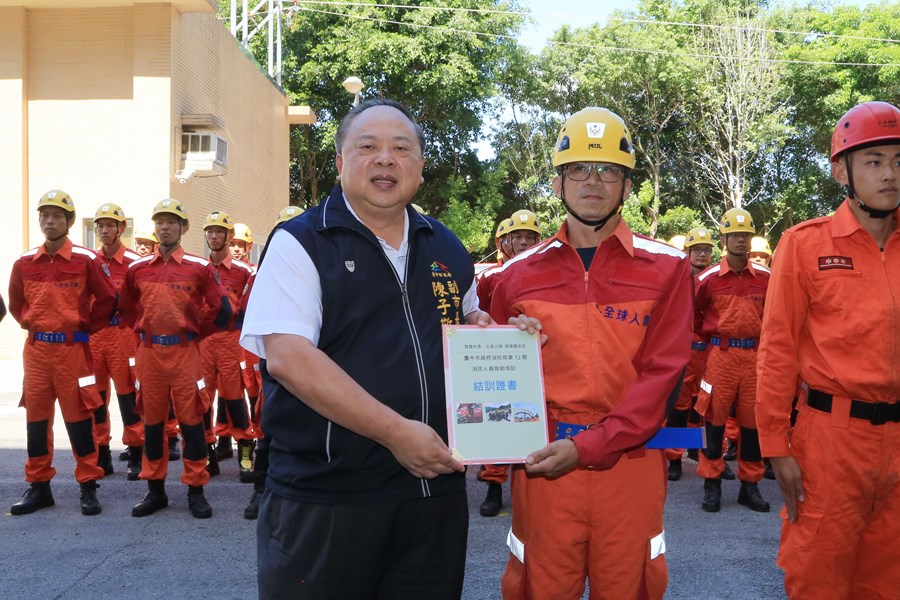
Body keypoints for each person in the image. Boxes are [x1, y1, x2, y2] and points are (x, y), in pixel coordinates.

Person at [240, 98, 491, 599]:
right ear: (340, 162)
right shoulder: (302, 242)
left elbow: (465, 324)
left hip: (432, 492)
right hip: (329, 495)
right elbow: (289, 358)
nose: (385, 159)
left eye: (401, 148)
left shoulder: (446, 247)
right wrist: (396, 433)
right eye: (368, 146)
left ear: (420, 166)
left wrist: (492, 332)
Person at [490, 107, 693, 599]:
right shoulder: (515, 274)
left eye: (609, 171)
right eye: (579, 168)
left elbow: (661, 376)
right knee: (538, 587)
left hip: (631, 463)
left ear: (627, 185)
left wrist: (589, 446)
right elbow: (490, 371)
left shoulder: (668, 268)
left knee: (629, 587)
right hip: (541, 464)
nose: (593, 182)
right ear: (558, 182)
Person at [757, 100, 900, 599]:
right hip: (831, 441)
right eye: (875, 161)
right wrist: (776, 447)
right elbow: (776, 351)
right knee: (819, 577)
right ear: (843, 170)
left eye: (899, 161)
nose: (890, 174)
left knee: (888, 581)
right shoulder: (804, 245)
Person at [8, 189, 118, 516]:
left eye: (57, 216)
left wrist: (86, 328)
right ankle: (39, 487)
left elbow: (108, 299)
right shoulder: (25, 262)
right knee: (37, 421)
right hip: (38, 352)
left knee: (80, 419)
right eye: (45, 215)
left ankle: (88, 486)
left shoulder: (86, 261)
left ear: (69, 221)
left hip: (74, 352)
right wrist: (32, 323)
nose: (50, 221)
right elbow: (16, 304)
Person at [119, 199, 231, 519]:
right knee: (152, 424)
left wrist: (195, 333)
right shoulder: (137, 269)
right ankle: (155, 490)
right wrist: (145, 334)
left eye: (172, 222)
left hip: (186, 354)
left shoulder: (199, 268)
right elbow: (126, 309)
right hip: (150, 355)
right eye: (160, 222)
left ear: (183, 228)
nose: (165, 227)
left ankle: (196, 489)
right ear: (154, 227)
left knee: (192, 421)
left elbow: (220, 310)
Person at [693, 207, 771, 513]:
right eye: (735, 235)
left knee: (753, 424)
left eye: (745, 235)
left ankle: (749, 486)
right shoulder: (708, 278)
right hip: (720, 357)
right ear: (724, 238)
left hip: (754, 357)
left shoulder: (767, 277)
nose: (740, 240)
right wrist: (714, 339)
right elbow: (694, 316)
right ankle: (711, 482)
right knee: (713, 419)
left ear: (751, 239)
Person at [476, 209, 544, 517]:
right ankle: (493, 485)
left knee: (530, 417)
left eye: (531, 237)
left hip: (534, 352)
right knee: (497, 417)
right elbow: (476, 312)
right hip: (499, 354)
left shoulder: (545, 272)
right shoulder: (491, 276)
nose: (525, 242)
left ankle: (532, 484)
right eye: (519, 237)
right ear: (506, 241)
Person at [242, 206, 305, 520]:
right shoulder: (264, 275)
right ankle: (260, 489)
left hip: (313, 364)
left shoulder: (316, 270)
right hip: (275, 364)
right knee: (270, 428)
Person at [200, 211, 256, 482]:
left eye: (219, 231)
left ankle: (245, 452)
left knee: (234, 398)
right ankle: (208, 452)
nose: (213, 236)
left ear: (228, 236)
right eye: (209, 231)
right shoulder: (198, 268)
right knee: (202, 400)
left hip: (232, 341)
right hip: (203, 343)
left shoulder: (245, 271)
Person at [90, 203, 144, 480]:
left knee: (129, 398)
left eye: (110, 225)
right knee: (96, 400)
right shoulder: (90, 261)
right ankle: (101, 453)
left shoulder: (135, 263)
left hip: (125, 339)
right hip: (96, 339)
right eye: (100, 225)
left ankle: (136, 452)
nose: (105, 230)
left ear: (121, 228)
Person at [665, 226, 715, 481]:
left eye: (706, 250)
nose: (702, 255)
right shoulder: (677, 281)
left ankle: (696, 449)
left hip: (709, 354)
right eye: (697, 250)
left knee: (703, 405)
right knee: (679, 407)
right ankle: (674, 457)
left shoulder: (717, 279)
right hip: (684, 353)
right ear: (687, 252)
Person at [215, 221, 255, 461]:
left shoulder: (249, 272)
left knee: (247, 390)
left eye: (241, 244)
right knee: (222, 392)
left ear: (248, 246)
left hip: (243, 340)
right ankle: (222, 440)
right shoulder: (213, 269)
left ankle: (249, 440)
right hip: (220, 340)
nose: (237, 249)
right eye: (235, 244)